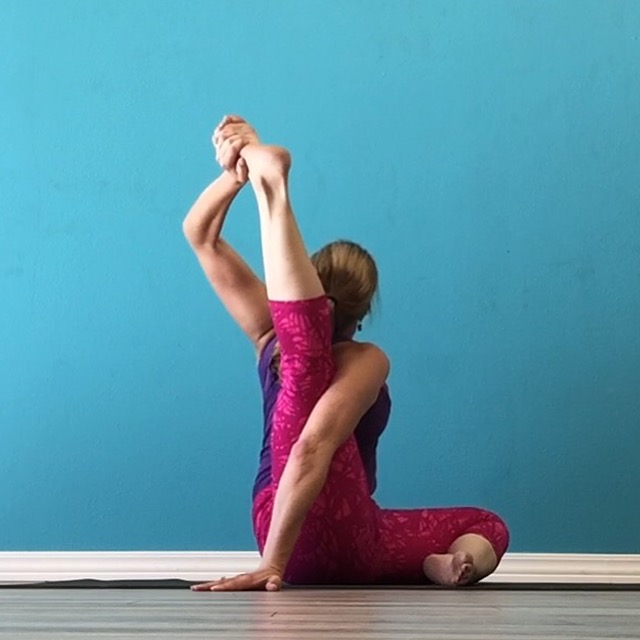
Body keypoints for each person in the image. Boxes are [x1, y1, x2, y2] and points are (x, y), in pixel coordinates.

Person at [183, 116, 509, 591]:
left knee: (304, 360)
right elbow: (311, 446)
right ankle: (275, 192)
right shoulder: (367, 359)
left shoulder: (268, 335)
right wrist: (273, 565)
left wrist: (237, 174)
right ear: (365, 306)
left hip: (287, 534)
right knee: (307, 364)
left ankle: (444, 564)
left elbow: (200, 234)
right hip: (341, 540)